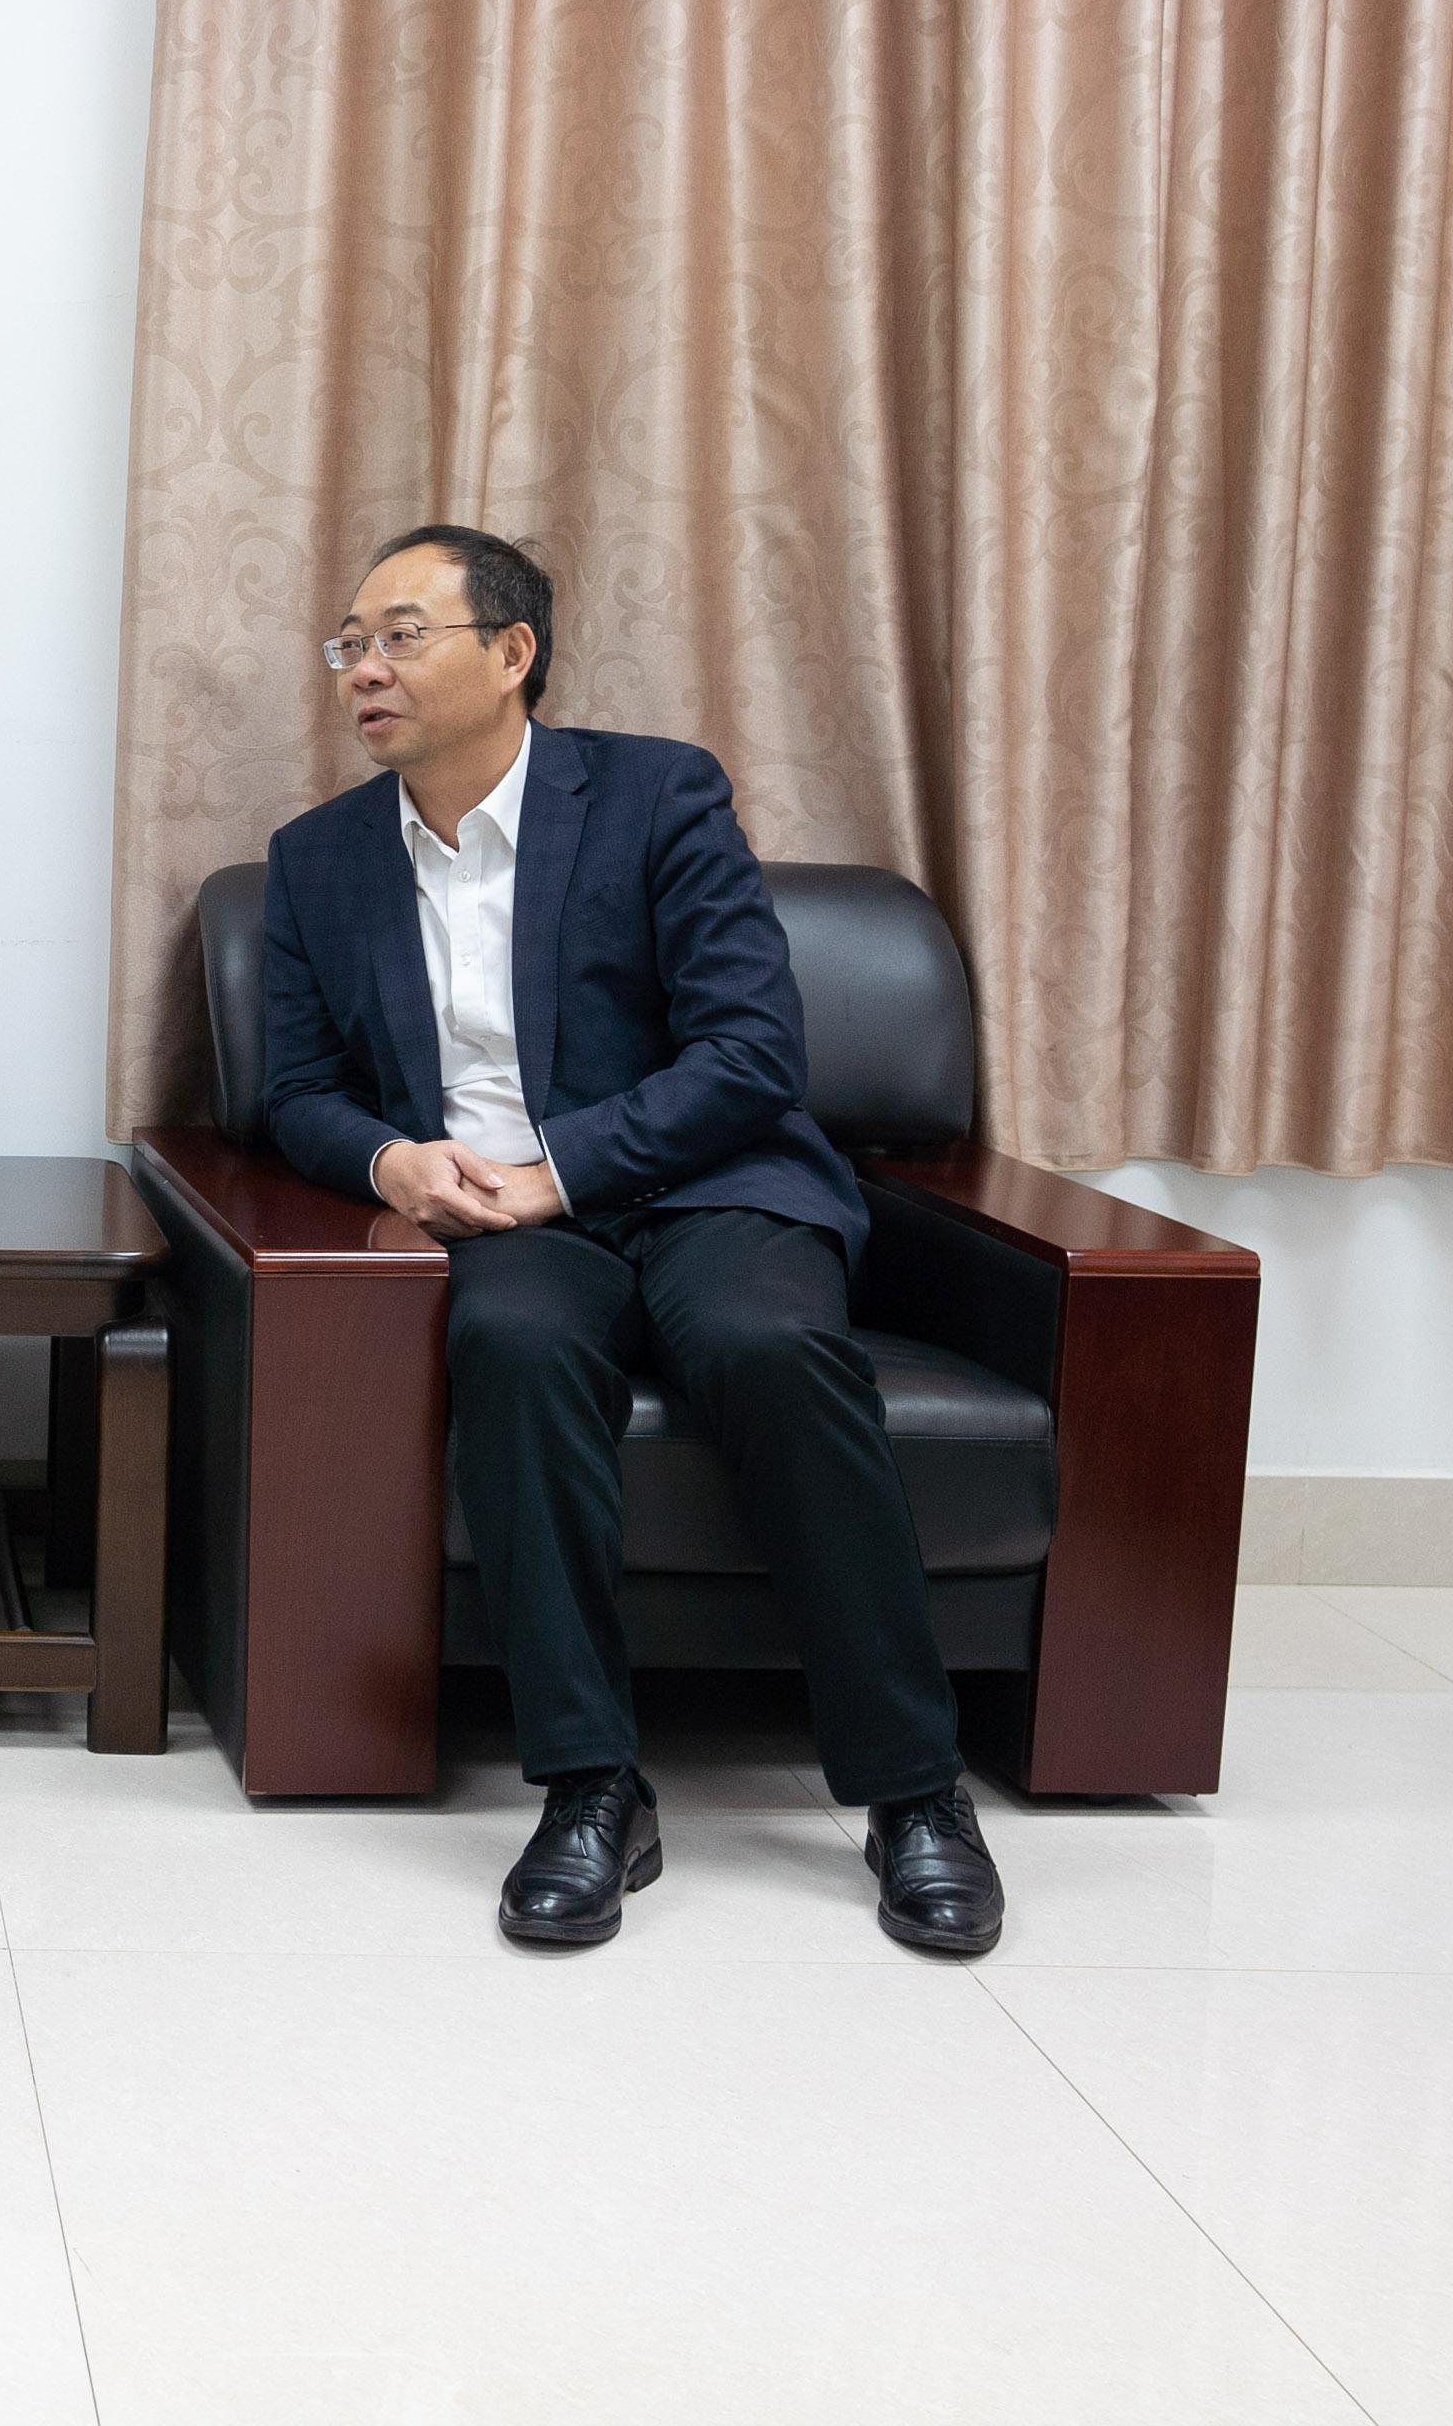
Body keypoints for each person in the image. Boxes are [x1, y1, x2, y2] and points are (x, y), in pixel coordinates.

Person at [254, 524, 1004, 1957]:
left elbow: (750, 1053)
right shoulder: (320, 860)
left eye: (402, 634)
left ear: (512, 652)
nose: (364, 669)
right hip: (499, 1220)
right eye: (351, 643)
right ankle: (590, 1786)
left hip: (709, 1185)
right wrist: (393, 1159)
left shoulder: (656, 796)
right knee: (512, 1348)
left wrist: (565, 1171)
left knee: (769, 1345)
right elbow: (297, 1091)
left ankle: (915, 1792)